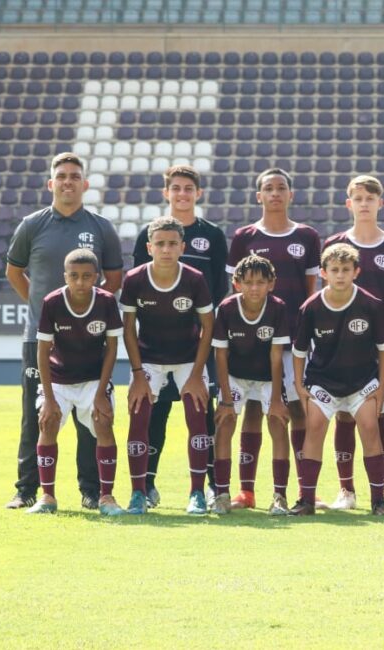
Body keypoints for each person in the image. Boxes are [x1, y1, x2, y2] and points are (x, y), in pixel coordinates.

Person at [4, 152, 122, 510]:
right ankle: (27, 490)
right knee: (37, 414)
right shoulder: (31, 225)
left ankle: (91, 490)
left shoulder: (101, 227)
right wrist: (47, 312)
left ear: (84, 184)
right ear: (50, 183)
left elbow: (114, 279)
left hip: (89, 339)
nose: (68, 181)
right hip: (39, 339)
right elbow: (14, 272)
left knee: (93, 417)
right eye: (61, 176)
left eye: (74, 176)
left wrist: (86, 314)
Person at [133, 164, 228, 507]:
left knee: (203, 413)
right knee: (154, 415)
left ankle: (212, 487)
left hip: (196, 346)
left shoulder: (213, 235)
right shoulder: (149, 233)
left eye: (189, 188)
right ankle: (147, 484)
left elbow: (219, 291)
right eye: (176, 188)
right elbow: (137, 288)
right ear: (166, 193)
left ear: (198, 193)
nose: (182, 194)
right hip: (155, 348)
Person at [226, 168, 321, 509]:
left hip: (294, 342)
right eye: (269, 188)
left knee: (296, 411)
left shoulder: (307, 236)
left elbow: (312, 292)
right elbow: (234, 289)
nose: (276, 193)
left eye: (281, 188)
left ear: (291, 195)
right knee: (252, 411)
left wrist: (305, 335)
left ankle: (302, 489)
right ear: (259, 196)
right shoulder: (244, 236)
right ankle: (246, 491)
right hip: (253, 342)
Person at [120, 217, 215, 515]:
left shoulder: (194, 279)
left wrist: (198, 374)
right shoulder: (134, 279)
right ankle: (138, 493)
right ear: (149, 247)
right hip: (148, 360)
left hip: (188, 359)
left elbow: (207, 328)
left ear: (182, 247)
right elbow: (128, 330)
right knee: (139, 419)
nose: (166, 249)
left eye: (172, 243)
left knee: (198, 421)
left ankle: (197, 493)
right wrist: (137, 375)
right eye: (160, 243)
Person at [291, 243, 384, 516]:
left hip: (362, 381)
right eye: (334, 270)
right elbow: (299, 351)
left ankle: (378, 501)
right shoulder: (311, 307)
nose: (340, 275)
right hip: (323, 381)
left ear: (356, 272)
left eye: (345, 270)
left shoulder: (371, 305)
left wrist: (381, 386)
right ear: (323, 273)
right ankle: (306, 500)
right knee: (314, 427)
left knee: (370, 428)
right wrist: (299, 385)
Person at [323, 175, 384, 510]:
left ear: (380, 203)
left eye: (371, 198)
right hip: (341, 350)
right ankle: (346, 489)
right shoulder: (336, 244)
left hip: (379, 351)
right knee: (344, 416)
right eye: (358, 198)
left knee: (382, 416)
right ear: (349, 204)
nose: (364, 203)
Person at [26, 249, 125, 516]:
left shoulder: (106, 301)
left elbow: (112, 349)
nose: (80, 282)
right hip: (58, 380)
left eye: (86, 276)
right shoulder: (52, 302)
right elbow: (43, 352)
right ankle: (47, 496)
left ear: (97, 277)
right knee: (47, 423)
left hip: (93, 379)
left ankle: (107, 497)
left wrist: (102, 392)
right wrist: (48, 398)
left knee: (104, 422)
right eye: (74, 276)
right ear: (65, 276)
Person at [210, 255, 292, 515]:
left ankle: (280, 496)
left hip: (268, 377)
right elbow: (220, 355)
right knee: (224, 424)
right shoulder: (226, 309)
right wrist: (225, 399)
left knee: (278, 424)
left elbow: (276, 355)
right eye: (248, 282)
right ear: (237, 284)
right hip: (235, 376)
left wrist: (277, 398)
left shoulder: (278, 308)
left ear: (271, 284)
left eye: (260, 282)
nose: (254, 288)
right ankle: (222, 494)